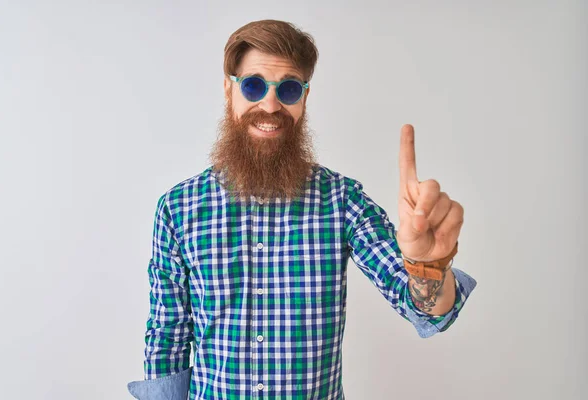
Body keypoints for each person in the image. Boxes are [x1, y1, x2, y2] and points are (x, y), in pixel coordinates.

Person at [127, 19, 477, 400]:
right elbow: (167, 337)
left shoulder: (342, 200)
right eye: (254, 85)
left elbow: (425, 309)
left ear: (304, 98)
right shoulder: (178, 209)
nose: (271, 104)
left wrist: (428, 267)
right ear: (229, 91)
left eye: (289, 89)